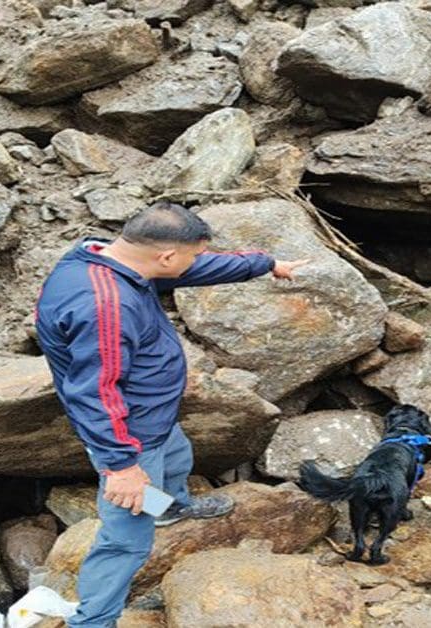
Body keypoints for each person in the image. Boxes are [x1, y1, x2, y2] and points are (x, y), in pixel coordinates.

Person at [34, 201, 308, 626]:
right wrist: (122, 466)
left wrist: (265, 264)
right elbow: (94, 392)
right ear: (165, 256)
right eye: (191, 254)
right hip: (130, 435)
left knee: (177, 458)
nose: (195, 263)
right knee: (126, 541)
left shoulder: (112, 258)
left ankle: (171, 506)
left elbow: (194, 269)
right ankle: (92, 620)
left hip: (155, 419)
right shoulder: (106, 305)